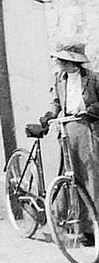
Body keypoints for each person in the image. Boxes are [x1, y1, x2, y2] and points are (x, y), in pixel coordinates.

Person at [38, 42, 99, 243]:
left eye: (63, 61)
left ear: (73, 63)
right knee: (70, 177)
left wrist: (91, 111)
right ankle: (74, 225)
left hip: (87, 128)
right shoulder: (60, 79)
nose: (61, 64)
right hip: (68, 128)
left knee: (90, 176)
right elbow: (57, 102)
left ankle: (92, 229)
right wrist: (49, 116)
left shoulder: (92, 78)